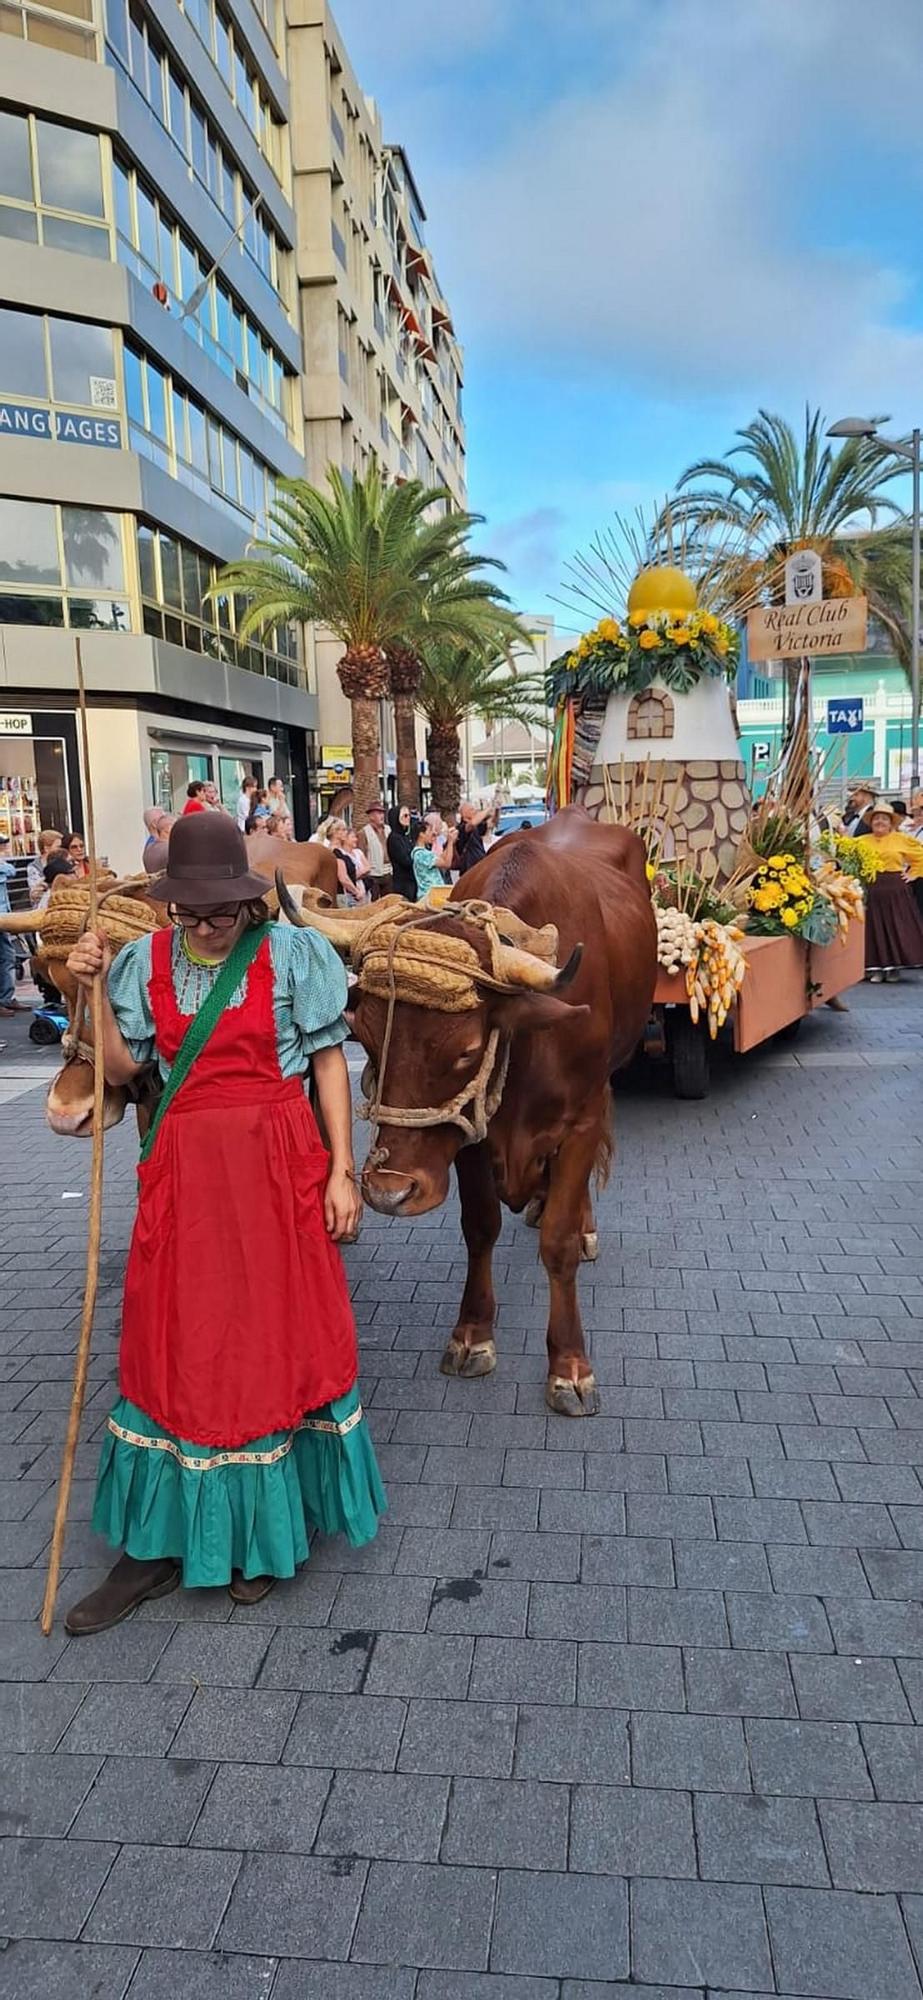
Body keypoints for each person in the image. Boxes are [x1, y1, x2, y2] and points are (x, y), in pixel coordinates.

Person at [61, 813, 384, 1634]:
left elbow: (325, 1063)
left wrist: (341, 1171)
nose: (204, 927)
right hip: (184, 1173)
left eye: (220, 913)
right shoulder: (144, 962)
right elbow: (130, 1067)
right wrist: (90, 990)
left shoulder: (289, 955)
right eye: (189, 913)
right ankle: (157, 1543)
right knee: (172, 1336)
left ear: (246, 902)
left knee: (267, 1338)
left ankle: (257, 1538)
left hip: (276, 1168)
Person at [859, 802, 923, 982]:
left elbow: (920, 856)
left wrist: (913, 874)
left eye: (884, 819)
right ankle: (876, 968)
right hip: (871, 888)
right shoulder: (861, 841)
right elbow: (845, 856)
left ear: (891, 823)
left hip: (895, 889)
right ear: (871, 822)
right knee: (873, 928)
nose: (880, 822)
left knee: (895, 927)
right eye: (876, 818)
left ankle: (894, 967)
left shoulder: (902, 839)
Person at [412, 815, 457, 898]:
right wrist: (450, 842)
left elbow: (442, 858)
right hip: (429, 896)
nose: (434, 834)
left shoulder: (423, 853)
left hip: (434, 895)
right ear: (421, 834)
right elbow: (447, 863)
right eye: (430, 831)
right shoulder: (421, 854)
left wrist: (450, 842)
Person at [0, 835, 19, 1016]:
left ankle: (6, 998)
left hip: (3, 917)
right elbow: (9, 869)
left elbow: (11, 871)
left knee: (8, 957)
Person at [357, 802, 392, 899]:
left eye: (382, 813)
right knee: (374, 901)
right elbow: (361, 854)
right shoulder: (363, 833)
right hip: (373, 874)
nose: (382, 816)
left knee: (389, 901)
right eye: (378, 813)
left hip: (388, 872)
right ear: (371, 816)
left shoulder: (388, 830)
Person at [329, 818, 366, 904]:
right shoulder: (335, 852)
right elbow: (343, 878)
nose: (346, 832)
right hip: (344, 896)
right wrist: (357, 892)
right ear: (336, 832)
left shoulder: (338, 851)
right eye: (344, 829)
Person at [387, 805, 417, 901]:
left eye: (409, 815)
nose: (408, 818)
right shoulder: (394, 838)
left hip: (411, 881)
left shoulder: (405, 837)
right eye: (405, 816)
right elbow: (406, 860)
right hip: (403, 883)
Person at [27, 828, 62, 906]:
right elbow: (36, 894)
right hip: (42, 909)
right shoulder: (34, 867)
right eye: (58, 846)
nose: (61, 849)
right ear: (46, 848)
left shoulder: (62, 862)